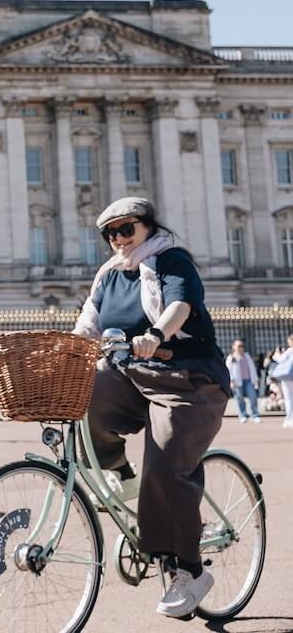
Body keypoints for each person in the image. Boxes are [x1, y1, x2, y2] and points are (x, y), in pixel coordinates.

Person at [72, 196, 229, 618]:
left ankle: (190, 570)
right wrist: (64, 350)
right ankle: (122, 475)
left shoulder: (170, 260)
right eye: (111, 234)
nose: (119, 239)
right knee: (83, 402)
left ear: (147, 227)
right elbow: (87, 326)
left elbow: (180, 305)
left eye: (127, 229)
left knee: (164, 463)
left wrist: (157, 334)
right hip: (132, 376)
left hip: (186, 377)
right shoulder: (107, 277)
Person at [225, 339, 261, 423]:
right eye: (239, 346)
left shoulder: (247, 356)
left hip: (248, 380)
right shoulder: (231, 357)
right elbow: (229, 370)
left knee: (253, 397)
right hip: (237, 382)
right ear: (234, 347)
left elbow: (252, 369)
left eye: (242, 346)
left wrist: (255, 379)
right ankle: (243, 415)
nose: (241, 348)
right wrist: (231, 381)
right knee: (239, 398)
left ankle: (254, 415)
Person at [267, 334, 293, 428]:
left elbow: (280, 359)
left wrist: (276, 355)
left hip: (288, 377)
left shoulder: (290, 350)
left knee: (289, 399)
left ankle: (289, 419)